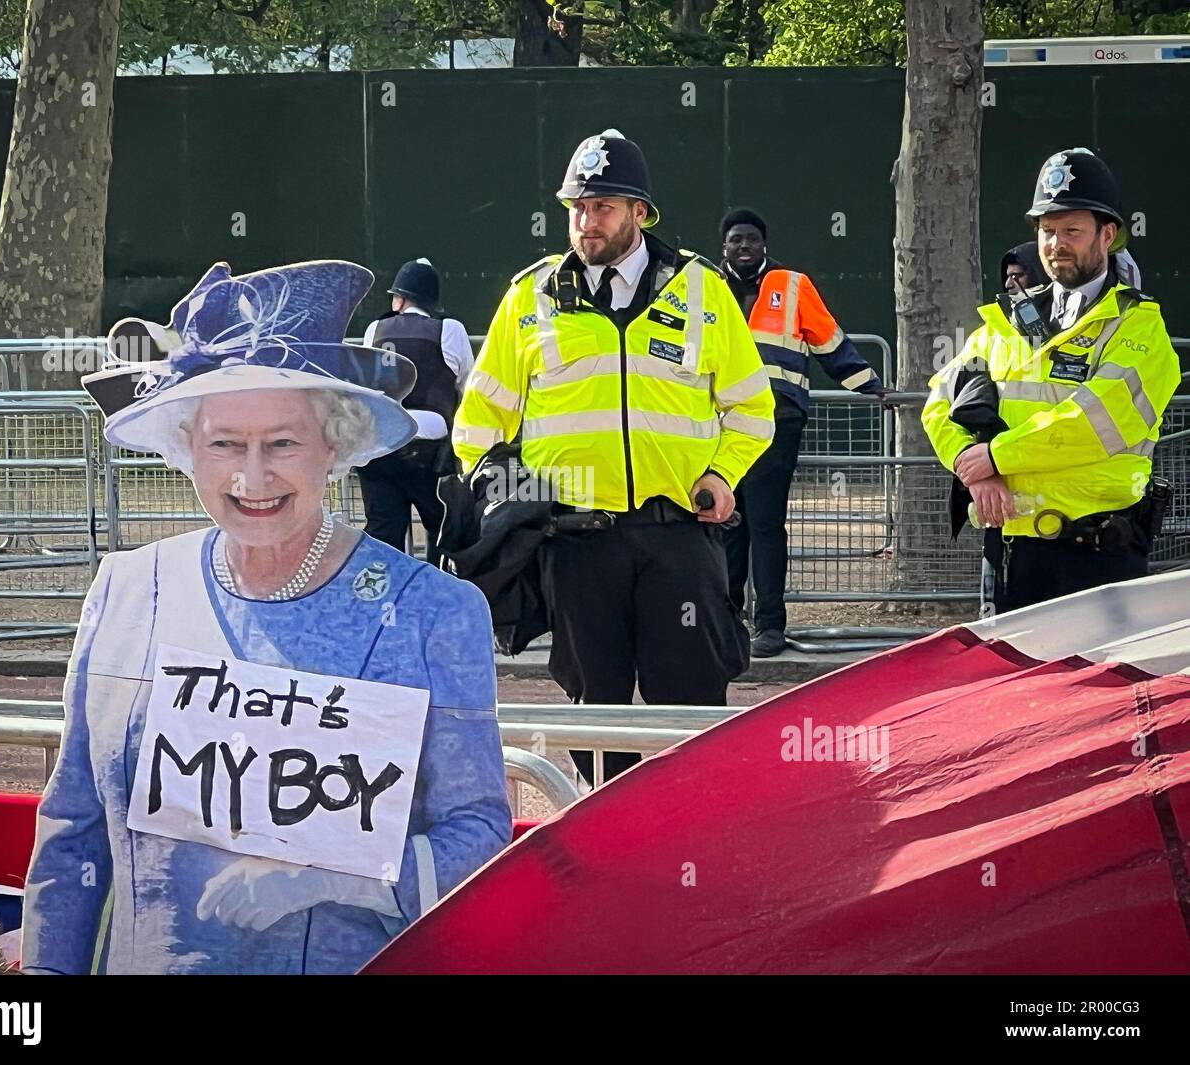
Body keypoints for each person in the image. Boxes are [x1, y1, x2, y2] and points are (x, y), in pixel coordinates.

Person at [24, 260, 511, 974]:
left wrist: (333, 876)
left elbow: (479, 836)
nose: (252, 478)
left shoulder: (432, 613)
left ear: (336, 445)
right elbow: (72, 836)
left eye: (283, 442)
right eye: (225, 443)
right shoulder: (127, 592)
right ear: (187, 446)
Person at [453, 131, 775, 785]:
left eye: (601, 206)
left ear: (639, 213)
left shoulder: (702, 291)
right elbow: (477, 425)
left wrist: (720, 473)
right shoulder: (530, 297)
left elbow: (752, 409)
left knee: (693, 701)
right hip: (575, 544)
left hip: (678, 537)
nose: (585, 221)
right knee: (593, 706)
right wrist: (510, 496)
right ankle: (612, 831)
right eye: (577, 206)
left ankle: (698, 828)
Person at [923, 149, 1179, 614]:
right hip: (1014, 553)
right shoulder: (1006, 320)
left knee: (1101, 687)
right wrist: (969, 464)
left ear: (1108, 235)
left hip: (1100, 555)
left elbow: (1097, 420)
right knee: (1015, 688)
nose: (1056, 244)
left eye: (1071, 231)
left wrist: (997, 456)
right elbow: (940, 400)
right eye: (1047, 231)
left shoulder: (1138, 326)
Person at [718, 207, 884, 656]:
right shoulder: (708, 288)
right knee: (727, 523)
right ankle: (727, 625)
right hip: (720, 424)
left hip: (779, 419)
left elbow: (828, 340)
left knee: (765, 522)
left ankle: (769, 626)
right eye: (736, 240)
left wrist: (868, 384)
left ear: (764, 244)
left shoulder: (792, 285)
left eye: (751, 238)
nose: (745, 246)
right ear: (725, 247)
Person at [359, 258, 474, 567]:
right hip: (431, 452)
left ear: (401, 299)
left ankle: (383, 601)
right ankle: (439, 595)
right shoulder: (450, 330)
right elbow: (468, 388)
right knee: (443, 530)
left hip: (380, 446)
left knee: (383, 535)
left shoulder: (375, 330)